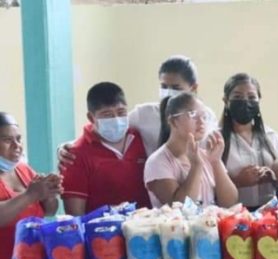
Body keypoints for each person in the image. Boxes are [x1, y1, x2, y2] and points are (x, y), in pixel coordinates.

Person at [57, 55, 217, 166]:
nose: (168, 93)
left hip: (195, 182)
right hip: (157, 186)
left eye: (176, 88)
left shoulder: (205, 116)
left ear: (193, 88)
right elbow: (108, 126)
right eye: (163, 87)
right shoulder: (145, 114)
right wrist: (68, 146)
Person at [61, 82, 151, 215]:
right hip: (103, 234)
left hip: (147, 230)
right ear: (91, 117)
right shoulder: (75, 156)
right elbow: (76, 217)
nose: (116, 119)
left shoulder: (141, 138)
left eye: (121, 112)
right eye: (107, 115)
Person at [144, 92, 237, 208]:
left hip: (210, 225)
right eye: (193, 115)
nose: (201, 121)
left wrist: (216, 162)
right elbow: (181, 208)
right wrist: (196, 165)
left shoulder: (207, 155)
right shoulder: (157, 162)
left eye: (204, 116)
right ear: (173, 121)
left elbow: (230, 203)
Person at [0, 112, 61, 259]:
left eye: (18, 139)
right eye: (7, 140)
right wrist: (30, 195)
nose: (16, 145)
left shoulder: (24, 170)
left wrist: (49, 194)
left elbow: (49, 211)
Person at [220, 73, 278, 210]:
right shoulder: (215, 139)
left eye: (251, 97)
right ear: (226, 101)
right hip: (231, 217)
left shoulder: (271, 137)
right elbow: (207, 187)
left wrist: (274, 176)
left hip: (270, 215)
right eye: (237, 97)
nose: (245, 102)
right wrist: (238, 182)